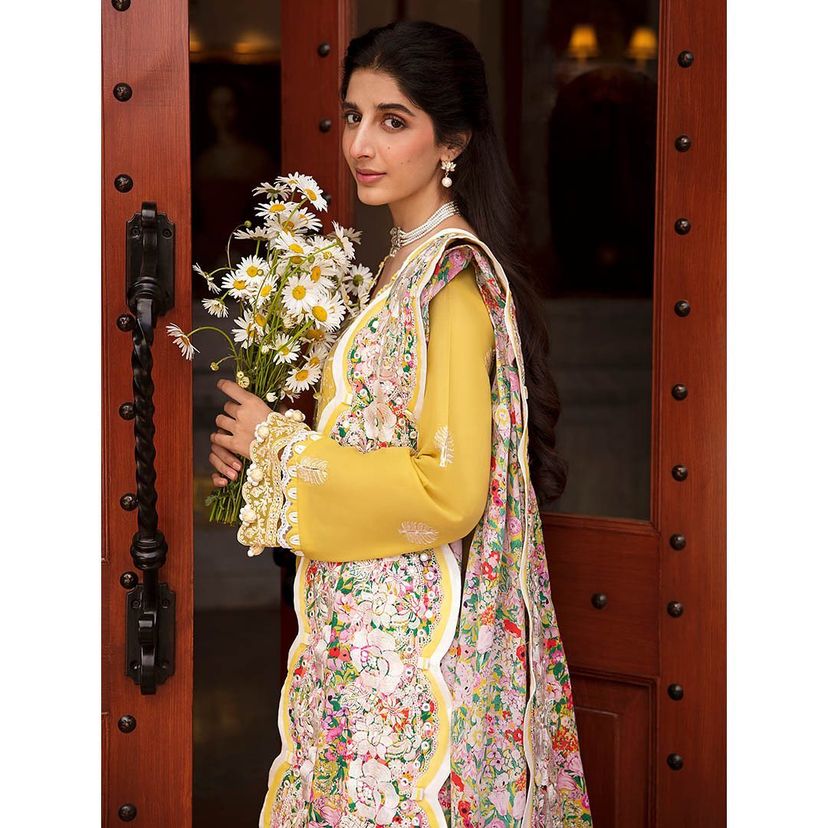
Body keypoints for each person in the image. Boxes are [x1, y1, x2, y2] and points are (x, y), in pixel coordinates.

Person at [208, 19, 591, 828]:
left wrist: (279, 448)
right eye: (354, 116)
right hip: (360, 632)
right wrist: (266, 454)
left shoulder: (451, 281)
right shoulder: (397, 268)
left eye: (393, 120)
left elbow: (450, 491)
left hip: (406, 648)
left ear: (452, 140)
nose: (361, 144)